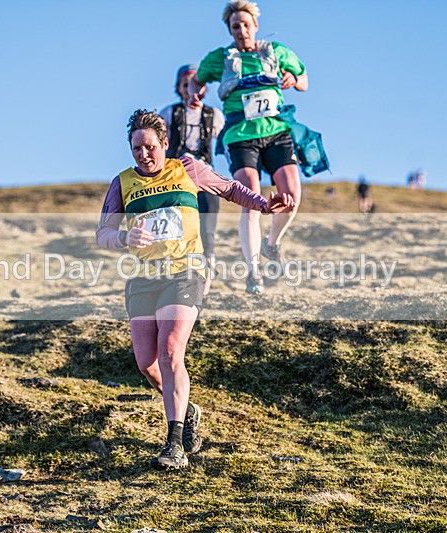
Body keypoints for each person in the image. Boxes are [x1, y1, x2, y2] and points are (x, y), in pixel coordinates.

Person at [96, 109, 295, 469]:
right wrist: (125, 236)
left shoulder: (187, 169)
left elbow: (231, 189)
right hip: (143, 278)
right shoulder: (122, 183)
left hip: (185, 272)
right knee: (147, 364)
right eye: (136, 148)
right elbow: (103, 233)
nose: (143, 154)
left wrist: (265, 205)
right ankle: (187, 409)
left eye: (150, 147)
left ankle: (174, 445)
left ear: (165, 144)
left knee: (171, 351)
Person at [188, 0, 308, 295]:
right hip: (240, 135)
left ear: (255, 25)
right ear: (229, 30)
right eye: (234, 26)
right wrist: (196, 94)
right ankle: (253, 273)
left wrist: (294, 79)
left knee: (292, 194)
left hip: (276, 131)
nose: (241, 30)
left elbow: (304, 80)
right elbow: (197, 81)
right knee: (251, 199)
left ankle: (272, 244)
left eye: (245, 25)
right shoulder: (220, 58)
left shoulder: (276, 52)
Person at [160, 64, 225, 297]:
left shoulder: (214, 116)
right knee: (174, 232)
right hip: (174, 181)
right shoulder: (168, 113)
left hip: (205, 181)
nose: (190, 88)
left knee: (206, 232)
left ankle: (204, 288)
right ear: (178, 87)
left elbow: (228, 142)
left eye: (196, 83)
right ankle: (173, 283)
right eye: (185, 83)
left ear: (204, 87)